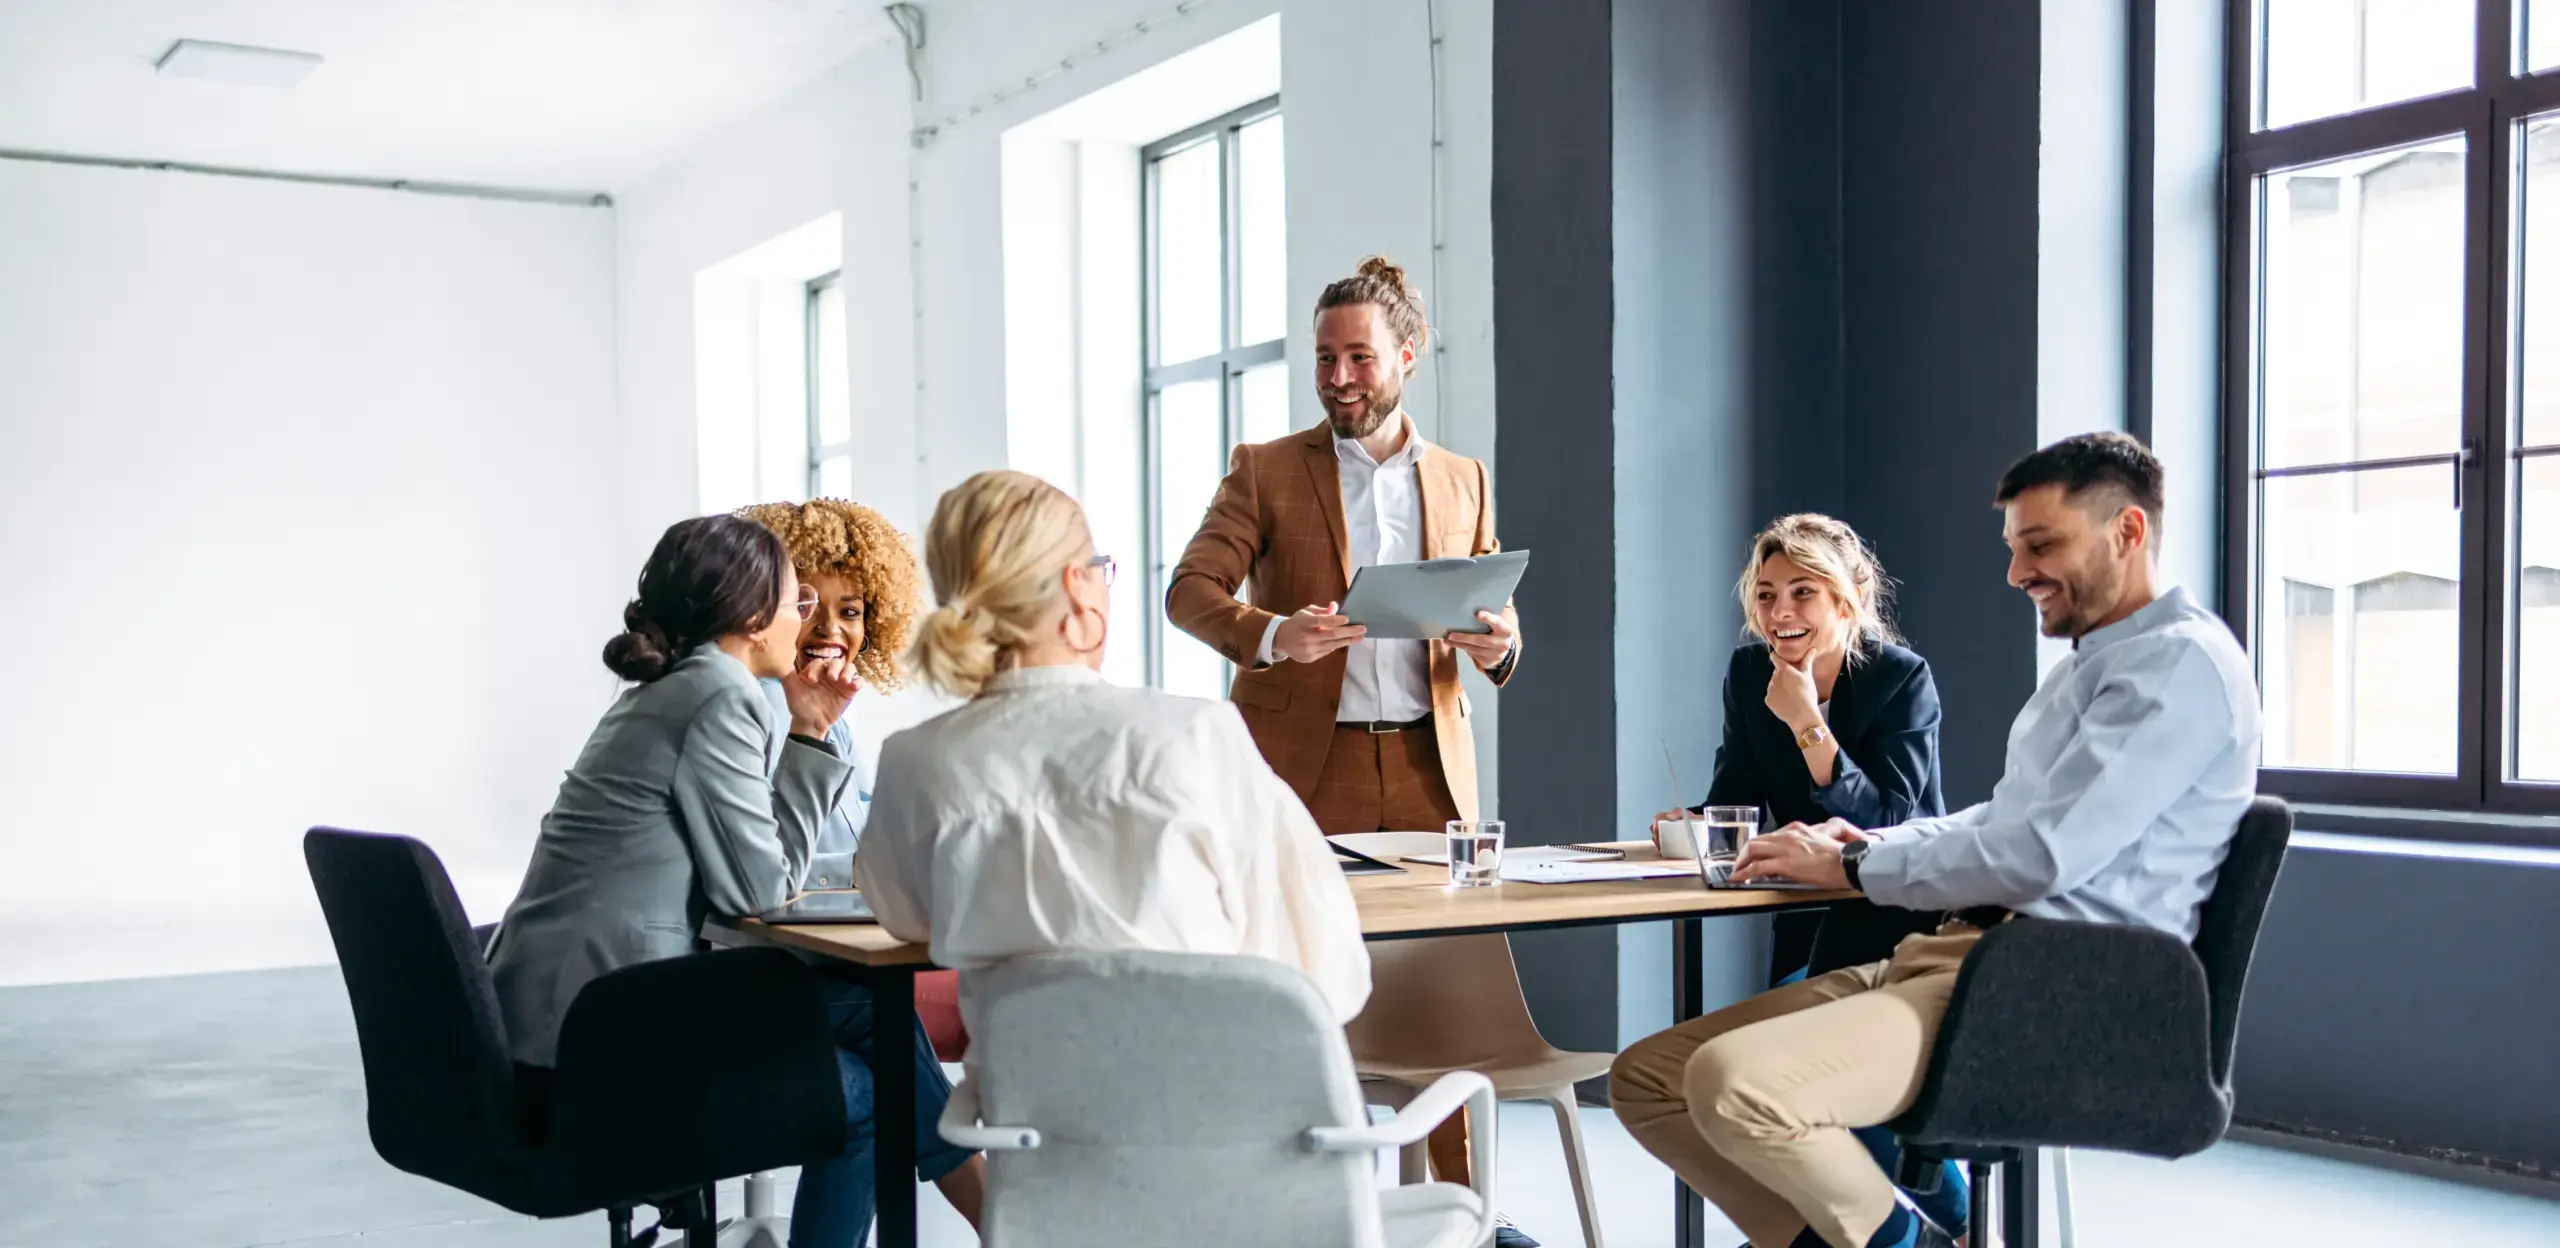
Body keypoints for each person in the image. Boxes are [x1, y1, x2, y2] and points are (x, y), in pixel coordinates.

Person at [1610, 432, 2261, 1248]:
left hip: (2041, 982)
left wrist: (1855, 863)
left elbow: (2039, 856)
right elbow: (1998, 818)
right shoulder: (2091, 668)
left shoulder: (2176, 667)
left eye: (2041, 545)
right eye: (2014, 547)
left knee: (1733, 1083)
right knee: (1649, 1079)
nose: (2017, 572)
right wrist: (1865, 844)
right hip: (1956, 953)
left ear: (2127, 531)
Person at [483, 515, 984, 1248]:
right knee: (879, 1072)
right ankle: (995, 1211)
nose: (806, 620)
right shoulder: (723, 696)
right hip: (601, 1043)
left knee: (870, 1028)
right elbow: (759, 892)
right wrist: (809, 736)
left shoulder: (670, 689)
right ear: (753, 617)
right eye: (797, 601)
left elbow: (752, 876)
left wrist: (811, 731)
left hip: (562, 1016)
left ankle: (993, 1210)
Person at [1165, 257, 1525, 1239]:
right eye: (1324, 358)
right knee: (1294, 991)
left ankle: (1463, 1214)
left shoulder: (1461, 477)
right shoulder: (1265, 468)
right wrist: (1276, 633)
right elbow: (1190, 592)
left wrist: (1500, 644)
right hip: (1298, 776)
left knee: (1443, 1003)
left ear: (1407, 355)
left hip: (1426, 771)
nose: (1337, 378)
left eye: (1358, 357)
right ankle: (1295, 1208)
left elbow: (1493, 610)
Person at [853, 468, 1371, 1040]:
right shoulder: (1198, 734)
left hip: (1028, 1094)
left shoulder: (915, 760)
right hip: (1218, 1084)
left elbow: (904, 917)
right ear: (1077, 585)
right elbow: (1327, 969)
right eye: (1101, 569)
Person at [1648, 514, 1968, 1236]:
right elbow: (1737, 794)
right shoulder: (1748, 674)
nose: (1779, 612)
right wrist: (1692, 822)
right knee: (1789, 1070)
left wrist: (1806, 724)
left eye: (1802, 592)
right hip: (1804, 921)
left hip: (1899, 923)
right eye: (1765, 595)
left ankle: (1954, 1222)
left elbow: (1887, 820)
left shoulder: (1899, 679)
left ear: (1846, 602)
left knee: (1823, 1073)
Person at [734, 499, 924, 888]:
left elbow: (860, 828)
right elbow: (764, 868)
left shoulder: (834, 723)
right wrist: (865, 870)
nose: (830, 629)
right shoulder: (753, 708)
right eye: (806, 607)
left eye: (849, 613)